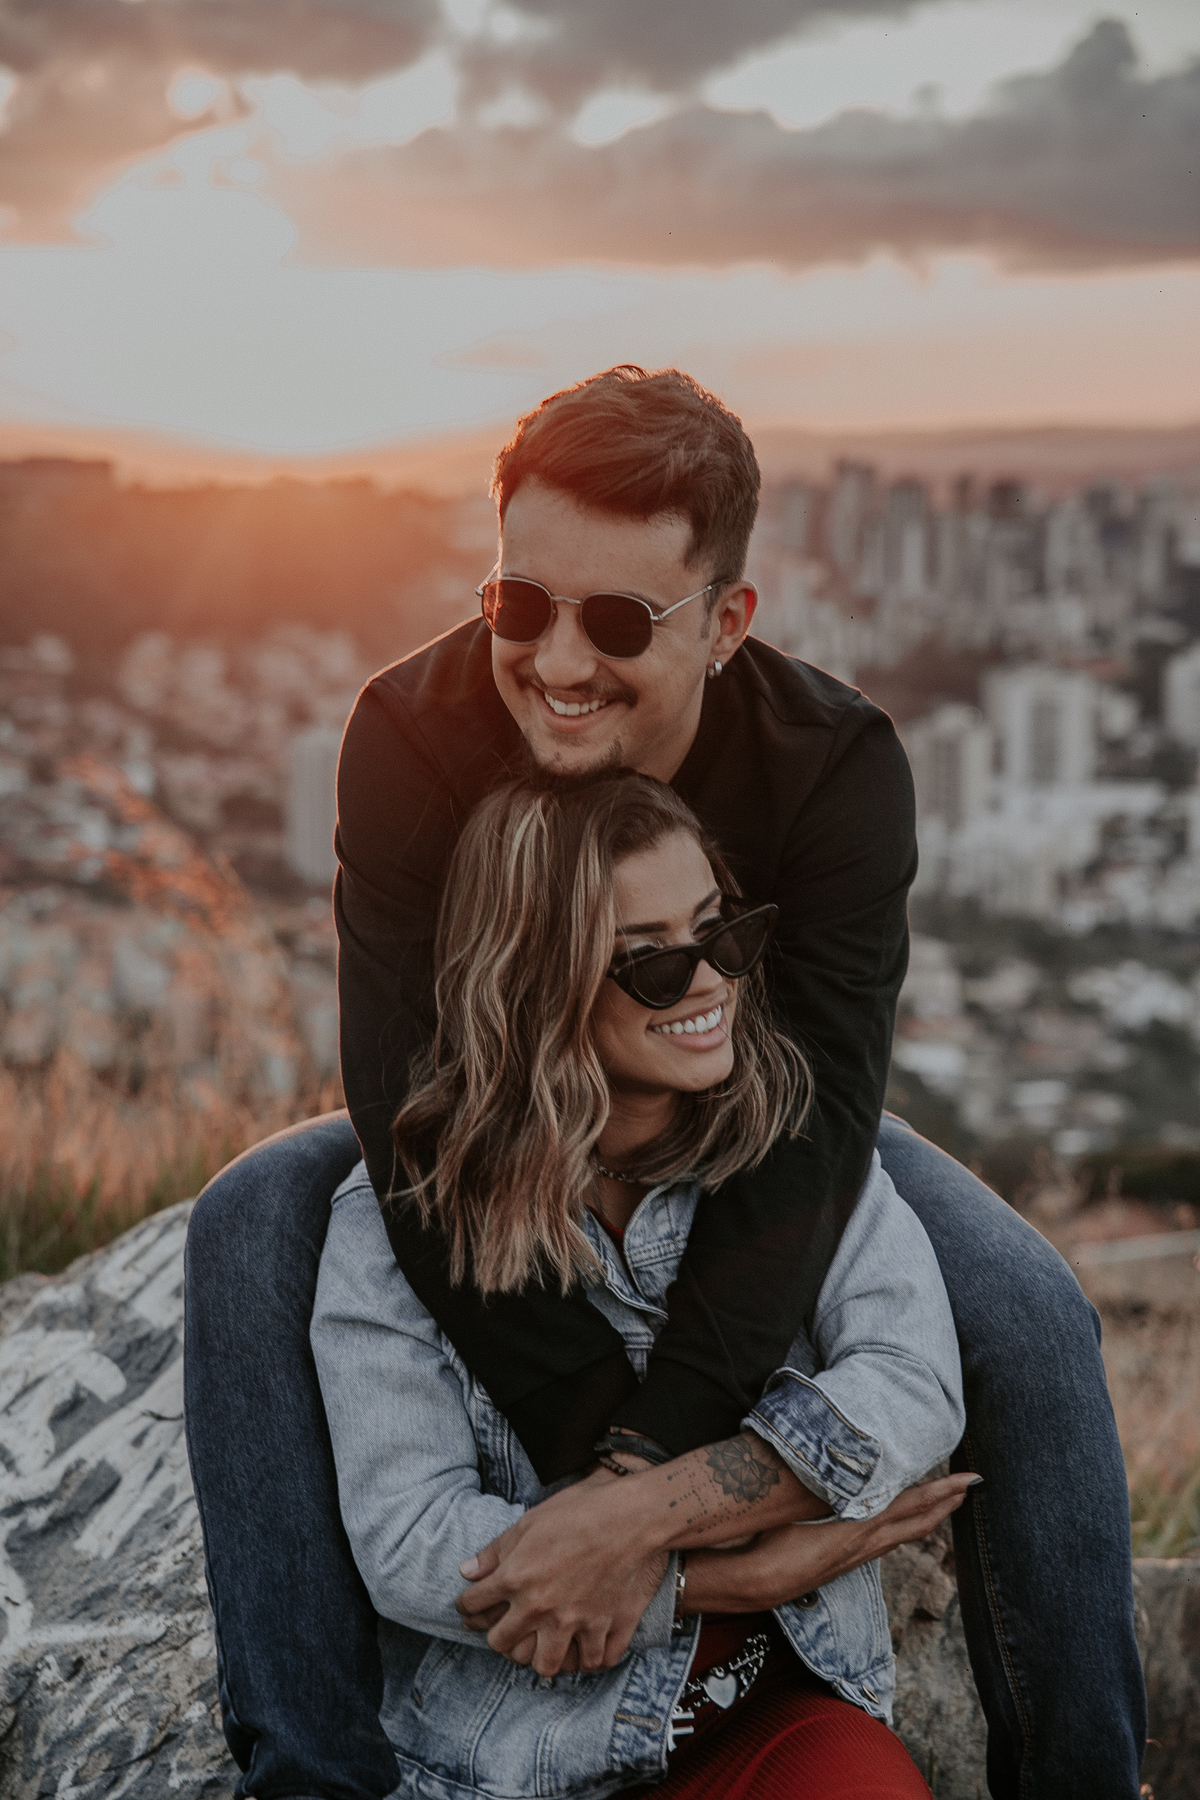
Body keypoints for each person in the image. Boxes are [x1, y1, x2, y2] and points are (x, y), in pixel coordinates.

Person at [184, 367, 1144, 1800]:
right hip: (480, 1113)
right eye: (521, 603)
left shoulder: (835, 770)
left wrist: (646, 1493)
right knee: (253, 1216)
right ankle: (311, 1776)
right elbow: (403, 1122)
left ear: (728, 623)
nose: (558, 662)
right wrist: (633, 1502)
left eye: (620, 620)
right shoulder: (408, 735)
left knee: (1029, 1314)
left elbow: (811, 1146)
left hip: (758, 1116)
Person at [310, 768, 975, 1800]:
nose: (710, 981)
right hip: (517, 1754)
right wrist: (733, 1576)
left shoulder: (795, 1148)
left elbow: (910, 1385)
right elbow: (408, 1541)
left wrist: (634, 1520)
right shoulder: (403, 1214)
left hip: (773, 1719)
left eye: (722, 931)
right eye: (650, 961)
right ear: (536, 979)